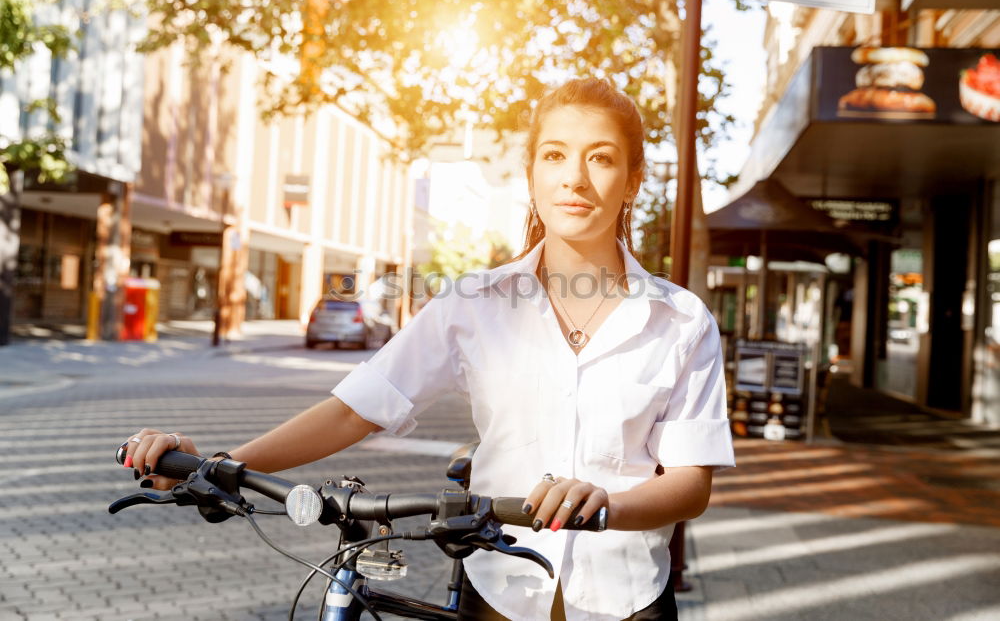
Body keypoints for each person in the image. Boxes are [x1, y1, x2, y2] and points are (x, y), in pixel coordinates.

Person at [122, 78, 735, 621]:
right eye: (554, 156)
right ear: (531, 176)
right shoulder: (473, 303)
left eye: (600, 159)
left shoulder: (680, 322)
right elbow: (356, 406)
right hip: (498, 585)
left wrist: (609, 504)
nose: (574, 177)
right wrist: (220, 466)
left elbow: (691, 484)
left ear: (631, 181)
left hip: (625, 598)